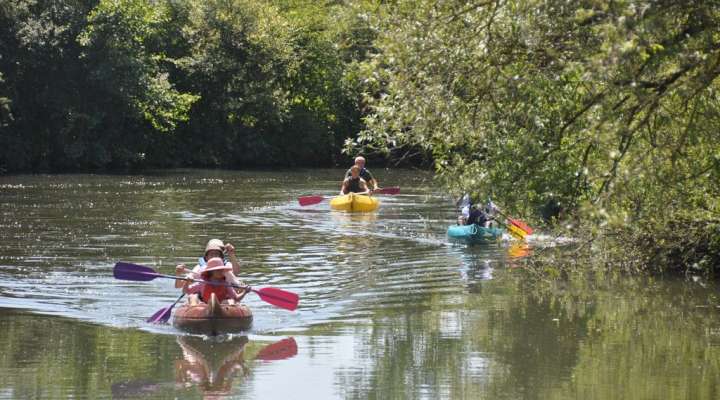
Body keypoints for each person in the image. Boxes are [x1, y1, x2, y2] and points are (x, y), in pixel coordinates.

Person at [175, 239, 242, 288]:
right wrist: (178, 273)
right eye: (211, 254)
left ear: (221, 257)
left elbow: (236, 272)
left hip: (225, 296)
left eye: (217, 254)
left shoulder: (226, 267)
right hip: (205, 298)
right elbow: (178, 286)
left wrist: (231, 254)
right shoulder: (200, 268)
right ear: (206, 257)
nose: (214, 256)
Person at [181, 257, 248, 305]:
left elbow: (236, 298)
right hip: (205, 305)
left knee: (230, 301)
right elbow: (186, 291)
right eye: (218, 270)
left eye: (221, 270)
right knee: (193, 297)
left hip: (222, 306)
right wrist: (187, 282)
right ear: (211, 272)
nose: (221, 272)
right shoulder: (202, 282)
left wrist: (245, 292)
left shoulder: (226, 284)